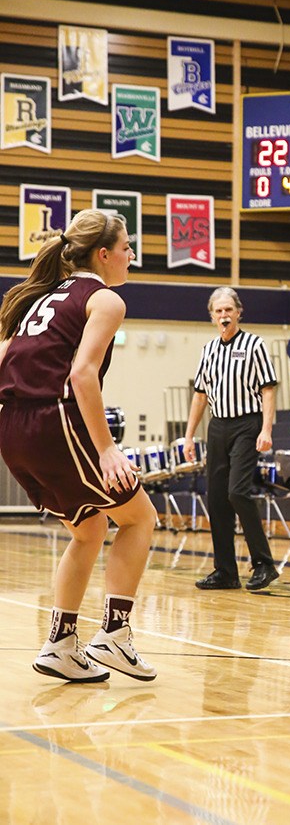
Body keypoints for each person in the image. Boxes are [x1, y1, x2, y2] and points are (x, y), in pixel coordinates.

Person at [0, 209, 157, 683]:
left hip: (13, 426)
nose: (132, 256)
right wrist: (107, 448)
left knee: (88, 530)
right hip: (54, 421)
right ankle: (113, 634)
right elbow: (82, 375)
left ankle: (61, 643)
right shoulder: (104, 299)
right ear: (103, 254)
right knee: (141, 517)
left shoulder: (40, 296)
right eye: (127, 248)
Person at [183, 287, 280, 591]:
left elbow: (268, 389)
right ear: (211, 316)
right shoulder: (208, 349)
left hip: (247, 425)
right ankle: (225, 571)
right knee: (216, 499)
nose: (224, 315)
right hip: (217, 427)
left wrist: (266, 429)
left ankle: (264, 564)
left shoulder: (254, 345)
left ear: (239, 312)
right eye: (218, 311)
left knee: (238, 492)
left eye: (229, 310)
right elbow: (200, 396)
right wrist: (188, 436)